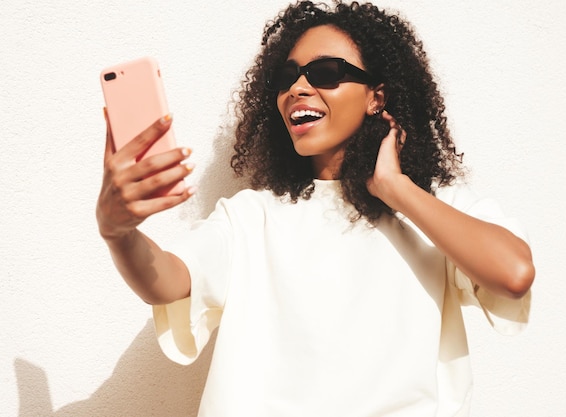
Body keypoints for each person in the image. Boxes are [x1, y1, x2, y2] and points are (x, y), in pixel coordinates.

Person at [96, 1, 535, 416]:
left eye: (326, 72)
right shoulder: (252, 217)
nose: (298, 88)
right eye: (287, 77)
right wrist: (118, 233)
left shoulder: (431, 209)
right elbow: (169, 282)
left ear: (375, 98)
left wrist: (396, 189)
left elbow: (513, 274)